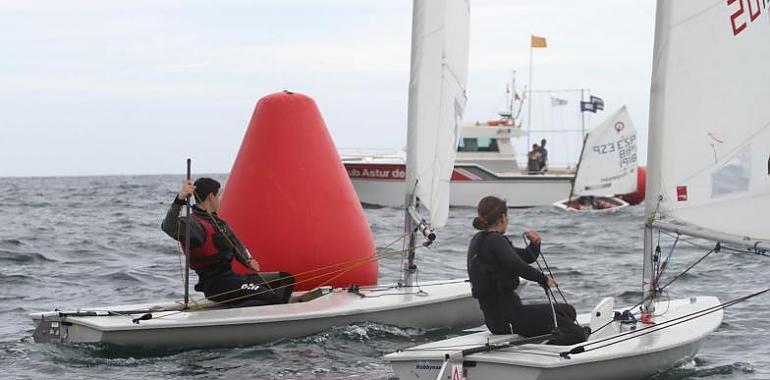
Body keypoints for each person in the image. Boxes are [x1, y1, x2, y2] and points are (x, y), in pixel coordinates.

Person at [467, 196, 587, 345]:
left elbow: (526, 257)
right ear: (503, 217)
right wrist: (543, 279)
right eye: (507, 215)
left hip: (500, 318)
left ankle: (547, 338)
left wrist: (535, 244)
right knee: (577, 334)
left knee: (568, 311)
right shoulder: (494, 240)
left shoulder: (482, 240)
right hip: (508, 319)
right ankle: (542, 349)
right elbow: (517, 264)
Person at [162, 178, 294, 307]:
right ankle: (243, 317)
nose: (220, 199)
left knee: (285, 279)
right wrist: (180, 199)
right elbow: (168, 227)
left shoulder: (219, 223)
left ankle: (277, 309)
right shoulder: (194, 225)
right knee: (268, 296)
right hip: (216, 285)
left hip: (232, 278)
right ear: (211, 196)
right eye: (219, 195)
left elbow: (237, 245)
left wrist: (248, 260)